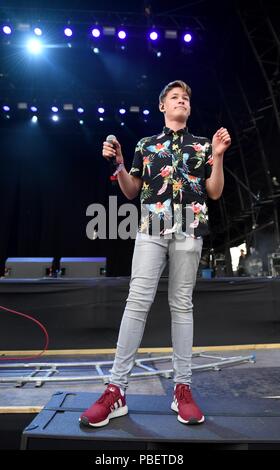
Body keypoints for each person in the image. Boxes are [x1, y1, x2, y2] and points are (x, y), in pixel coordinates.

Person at [80, 80, 231, 427]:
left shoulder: (202, 145)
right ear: (163, 106)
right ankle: (116, 390)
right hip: (152, 228)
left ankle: (183, 389)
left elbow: (215, 191)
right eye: (175, 97)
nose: (182, 101)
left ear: (189, 109)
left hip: (190, 226)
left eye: (186, 99)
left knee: (181, 304)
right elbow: (131, 191)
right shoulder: (147, 145)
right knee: (138, 301)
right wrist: (119, 164)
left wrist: (218, 157)